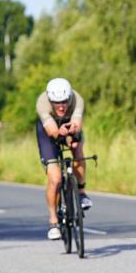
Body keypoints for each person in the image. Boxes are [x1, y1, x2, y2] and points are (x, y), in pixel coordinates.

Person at [35, 78, 91, 240]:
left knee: (77, 148)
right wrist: (60, 133)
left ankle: (80, 192)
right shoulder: (42, 103)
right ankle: (53, 221)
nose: (61, 106)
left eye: (64, 102)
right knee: (56, 178)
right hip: (48, 131)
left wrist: (71, 133)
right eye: (57, 102)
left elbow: (77, 125)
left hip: (68, 125)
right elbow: (52, 132)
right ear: (50, 99)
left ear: (70, 98)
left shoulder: (77, 99)